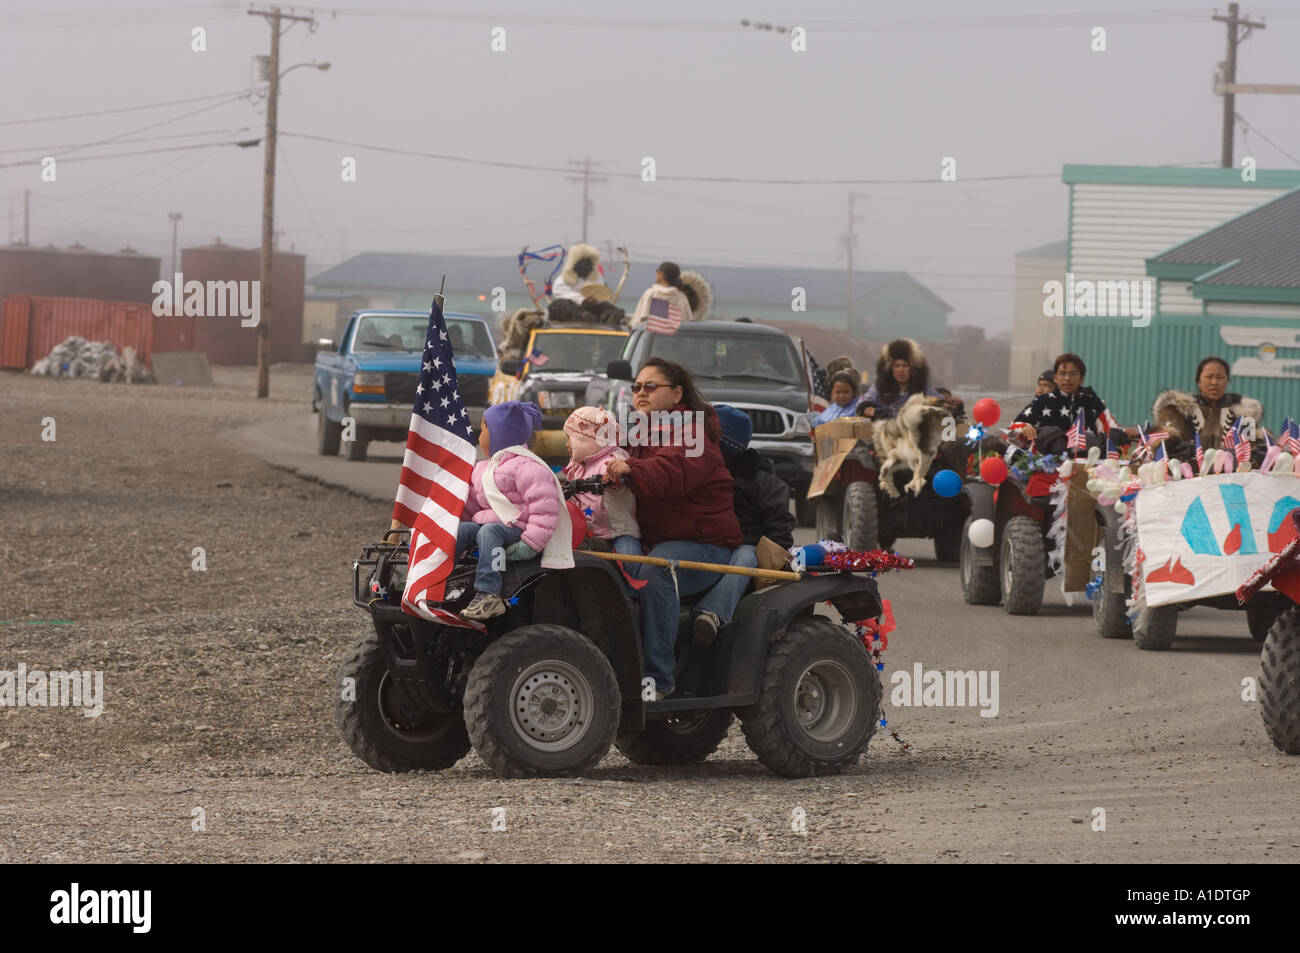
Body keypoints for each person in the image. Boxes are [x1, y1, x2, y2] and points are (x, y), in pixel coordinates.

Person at [604, 358, 741, 699]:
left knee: (656, 570)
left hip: (704, 543)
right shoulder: (638, 430)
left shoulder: (693, 433)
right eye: (636, 387)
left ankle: (658, 679)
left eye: (651, 387)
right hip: (654, 538)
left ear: (677, 393)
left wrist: (630, 469)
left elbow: (670, 472)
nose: (641, 393)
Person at [455, 401, 572, 620]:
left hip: (516, 531)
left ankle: (488, 594)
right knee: (460, 530)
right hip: (486, 528)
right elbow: (470, 506)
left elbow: (544, 510)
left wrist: (530, 544)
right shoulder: (482, 468)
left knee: (489, 531)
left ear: (501, 433)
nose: (479, 436)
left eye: (484, 430)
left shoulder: (529, 467)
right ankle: (443, 579)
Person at [691, 405, 796, 647]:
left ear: (725, 447)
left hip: (744, 544)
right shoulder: (698, 470)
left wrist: (773, 561)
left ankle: (712, 614)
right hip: (706, 542)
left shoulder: (761, 482)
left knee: (745, 558)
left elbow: (780, 525)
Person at [561, 406, 641, 556]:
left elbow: (617, 471)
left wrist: (613, 476)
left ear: (587, 439)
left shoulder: (613, 458)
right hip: (589, 532)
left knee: (630, 560)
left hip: (618, 531)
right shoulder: (577, 466)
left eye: (570, 439)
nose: (566, 445)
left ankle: (637, 579)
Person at [1152, 356, 1265, 458]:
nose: (1214, 382)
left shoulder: (1245, 415)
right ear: (1199, 381)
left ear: (1227, 381)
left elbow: (1252, 448)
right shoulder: (1179, 412)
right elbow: (1163, 444)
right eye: (1209, 377)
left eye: (1220, 377)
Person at [1013, 352, 1123, 444]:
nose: (1067, 378)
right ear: (1055, 378)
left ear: (1082, 379)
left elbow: (1112, 429)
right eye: (1062, 373)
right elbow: (1015, 425)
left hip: (1085, 463)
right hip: (1048, 462)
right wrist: (1024, 428)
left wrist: (1125, 433)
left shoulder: (1093, 402)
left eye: (1073, 374)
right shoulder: (1042, 401)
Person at [858, 338, 944, 419]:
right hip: (885, 431)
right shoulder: (880, 388)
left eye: (905, 365)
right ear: (890, 368)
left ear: (913, 368)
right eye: (896, 366)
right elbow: (863, 403)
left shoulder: (923, 389)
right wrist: (873, 411)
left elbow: (940, 404)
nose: (900, 370)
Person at [631, 261, 697, 330]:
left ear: (662, 274)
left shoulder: (652, 293)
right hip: (674, 338)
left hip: (652, 338)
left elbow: (641, 320)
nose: (656, 273)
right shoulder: (681, 297)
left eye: (657, 271)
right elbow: (686, 321)